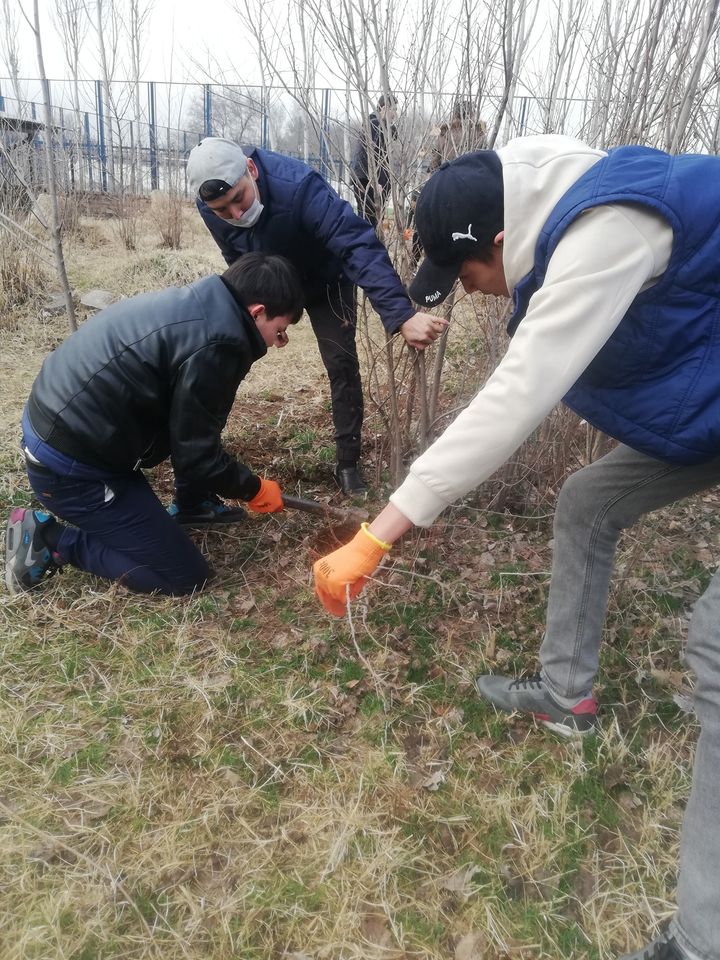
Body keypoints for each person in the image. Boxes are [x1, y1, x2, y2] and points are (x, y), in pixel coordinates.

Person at [312, 135, 720, 960]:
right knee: (588, 502)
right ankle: (567, 696)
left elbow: (518, 393)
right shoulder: (539, 187)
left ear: (497, 244)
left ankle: (702, 938)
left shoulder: (607, 229)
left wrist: (379, 533)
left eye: (466, 278)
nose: (474, 293)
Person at [5, 253, 304, 597]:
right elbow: (197, 456)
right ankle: (51, 541)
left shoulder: (202, 306)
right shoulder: (218, 344)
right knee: (183, 576)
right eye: (279, 331)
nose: (275, 343)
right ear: (257, 312)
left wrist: (197, 490)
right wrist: (253, 489)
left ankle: (194, 504)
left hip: (75, 431)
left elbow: (189, 427)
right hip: (69, 467)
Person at [186, 136, 445, 497]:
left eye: (238, 200)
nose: (235, 215)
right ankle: (203, 463)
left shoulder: (299, 188)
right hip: (270, 283)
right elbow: (237, 258)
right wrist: (257, 314)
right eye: (221, 210)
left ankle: (348, 463)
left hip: (326, 282)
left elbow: (355, 243)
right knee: (227, 351)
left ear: (251, 169)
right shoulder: (210, 205)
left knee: (340, 362)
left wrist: (400, 314)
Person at [351, 93, 397, 228]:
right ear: (384, 108)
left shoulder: (378, 124)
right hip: (366, 179)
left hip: (367, 177)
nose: (394, 114)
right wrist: (375, 180)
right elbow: (372, 154)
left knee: (371, 220)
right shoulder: (374, 124)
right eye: (393, 110)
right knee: (369, 220)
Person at [429, 98, 487, 171]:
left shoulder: (444, 132)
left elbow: (435, 162)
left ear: (455, 114)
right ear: (472, 114)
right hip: (472, 177)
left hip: (449, 176)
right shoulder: (479, 133)